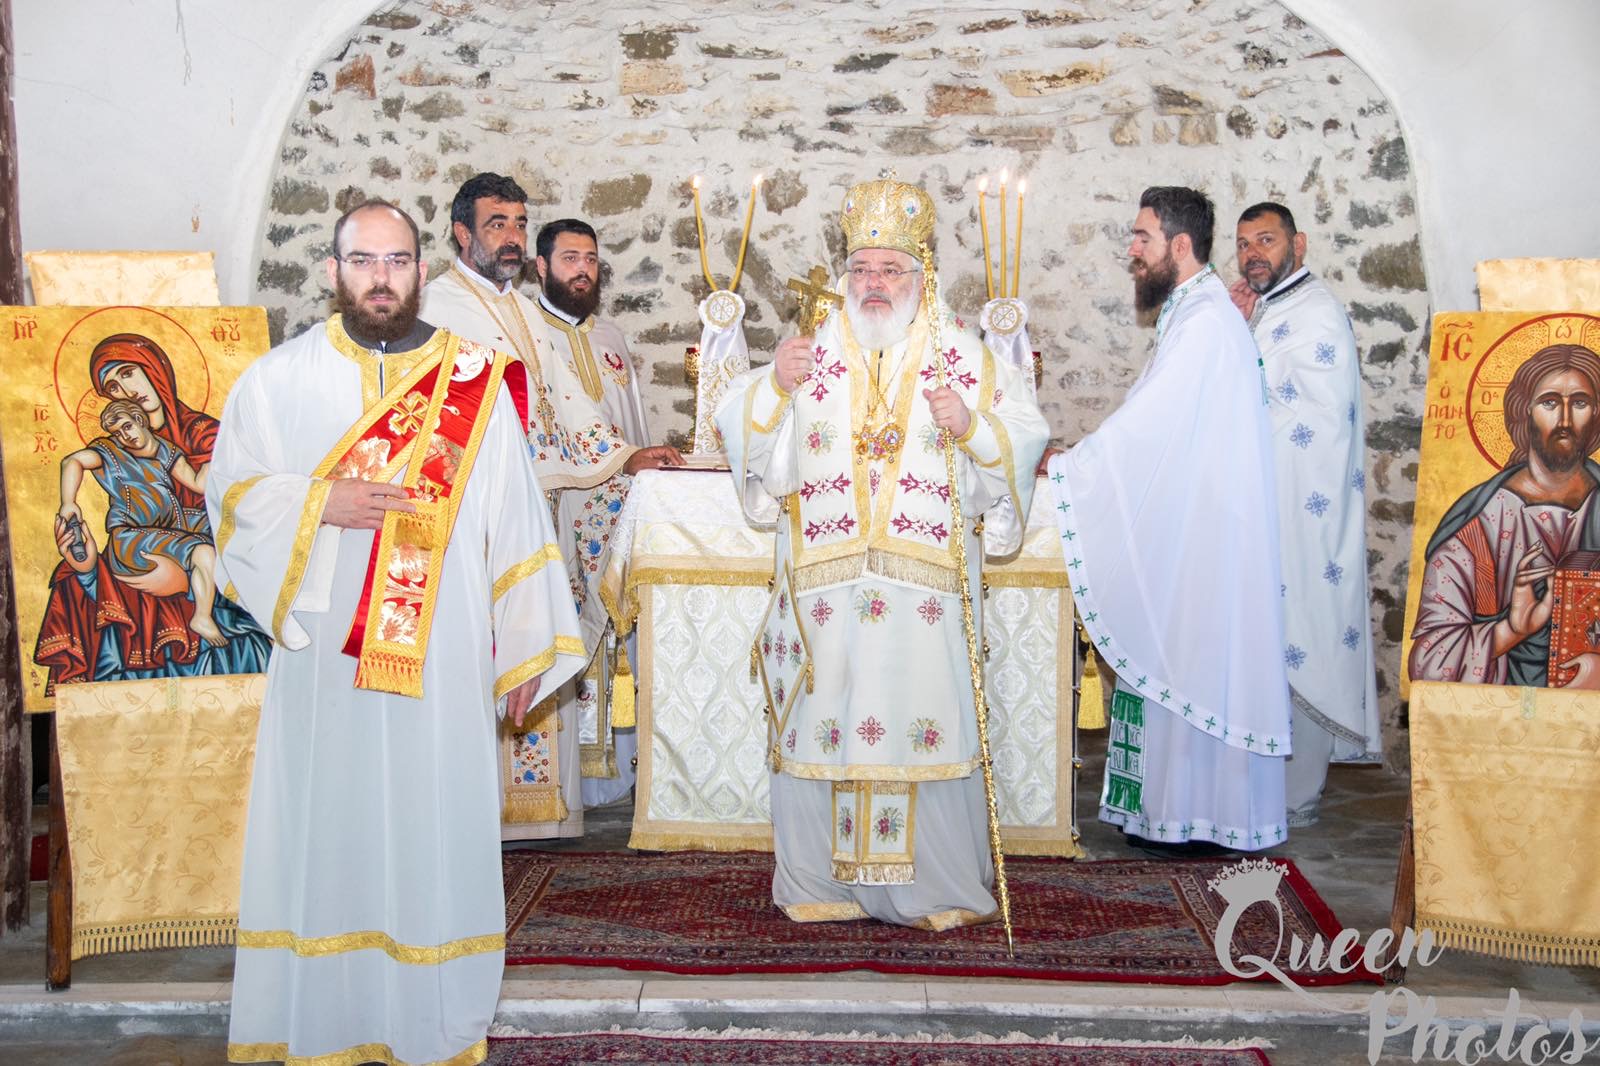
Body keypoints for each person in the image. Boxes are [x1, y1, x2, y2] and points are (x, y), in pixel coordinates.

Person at [213, 200, 585, 1066]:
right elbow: (228, 498)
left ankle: (429, 1014)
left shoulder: (473, 382)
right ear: (334, 270)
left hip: (441, 654)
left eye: (396, 260)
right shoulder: (277, 380)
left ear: (421, 269)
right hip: (324, 657)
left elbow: (515, 516)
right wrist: (319, 502)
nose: (380, 277)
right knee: (327, 822)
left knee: (433, 818)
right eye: (363, 261)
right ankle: (325, 1015)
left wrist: (524, 645)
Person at [715, 178, 1048, 928]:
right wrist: (774, 387)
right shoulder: (808, 351)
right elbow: (744, 431)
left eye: (891, 270)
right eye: (862, 268)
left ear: (920, 276)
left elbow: (1025, 432)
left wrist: (970, 426)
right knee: (826, 721)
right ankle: (819, 884)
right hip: (824, 583)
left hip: (923, 590)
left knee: (919, 722)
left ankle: (932, 888)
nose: (874, 283)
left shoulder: (962, 356)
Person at [421, 173, 679, 840]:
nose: (510, 236)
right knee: (485, 649)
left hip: (532, 505)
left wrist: (625, 457)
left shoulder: (522, 310)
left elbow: (566, 398)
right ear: (462, 233)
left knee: (536, 634)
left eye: (517, 222)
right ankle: (475, 816)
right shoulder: (438, 306)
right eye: (497, 224)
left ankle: (542, 817)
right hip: (473, 513)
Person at [1045, 186, 1290, 851]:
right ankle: (1170, 815)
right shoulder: (1193, 312)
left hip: (1201, 536)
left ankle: (1198, 819)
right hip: (1191, 525)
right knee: (1178, 658)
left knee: (1189, 662)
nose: (1132, 250)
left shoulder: (1205, 321)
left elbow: (1149, 427)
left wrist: (1072, 468)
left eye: (1142, 237)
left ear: (1180, 245)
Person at [1227, 202, 1382, 826]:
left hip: (1305, 512)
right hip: (1267, 506)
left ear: (1300, 244)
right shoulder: (1267, 309)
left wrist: (1239, 347)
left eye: (1266, 240)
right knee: (1269, 640)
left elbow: (1308, 411)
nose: (1253, 254)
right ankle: (1268, 788)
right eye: (1244, 244)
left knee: (1304, 635)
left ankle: (1298, 794)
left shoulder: (1316, 312)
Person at [35, 333, 270, 688]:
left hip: (203, 565)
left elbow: (232, 512)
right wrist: (86, 569)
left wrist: (183, 582)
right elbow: (76, 465)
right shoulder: (111, 452)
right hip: (140, 553)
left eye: (128, 373)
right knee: (70, 583)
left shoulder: (203, 435)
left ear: (155, 368)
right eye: (113, 388)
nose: (126, 390)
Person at [532, 216, 667, 807]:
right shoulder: (528, 335)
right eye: (570, 259)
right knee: (569, 628)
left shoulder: (610, 337)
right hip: (560, 510)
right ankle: (567, 781)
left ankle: (620, 775)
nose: (582, 270)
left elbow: (630, 422)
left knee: (620, 634)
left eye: (589, 259)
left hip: (617, 510)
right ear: (541, 266)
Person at [1410, 343, 1600, 687]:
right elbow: (1429, 664)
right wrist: (1512, 629)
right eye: (1549, 402)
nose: (1565, 420)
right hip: (1499, 713)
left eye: (1580, 403)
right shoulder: (1476, 526)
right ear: (1523, 410)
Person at [59, 399, 225, 645]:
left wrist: (213, 457)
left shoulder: (165, 449)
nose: (125, 436)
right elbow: (71, 461)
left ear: (139, 420)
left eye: (127, 426)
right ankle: (201, 617)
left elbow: (197, 483)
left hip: (173, 524)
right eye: (118, 433)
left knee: (224, 526)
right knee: (203, 552)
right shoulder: (110, 453)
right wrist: (68, 502)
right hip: (132, 537)